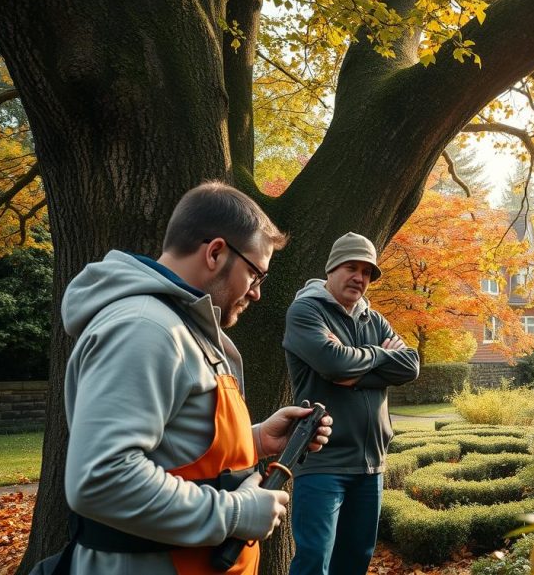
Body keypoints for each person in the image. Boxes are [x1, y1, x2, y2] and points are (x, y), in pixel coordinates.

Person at [57, 181, 332, 575]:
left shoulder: (181, 327)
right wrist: (235, 513)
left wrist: (257, 441)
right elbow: (101, 479)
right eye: (256, 274)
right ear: (216, 252)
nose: (256, 293)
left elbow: (175, 449)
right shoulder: (145, 329)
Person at [283, 232, 420, 575]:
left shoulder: (373, 320)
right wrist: (381, 357)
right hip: (323, 462)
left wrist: (356, 363)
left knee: (356, 560)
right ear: (332, 268)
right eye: (352, 267)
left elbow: (410, 366)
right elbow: (333, 365)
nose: (360, 277)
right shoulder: (305, 311)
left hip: (371, 463)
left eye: (367, 272)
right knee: (314, 560)